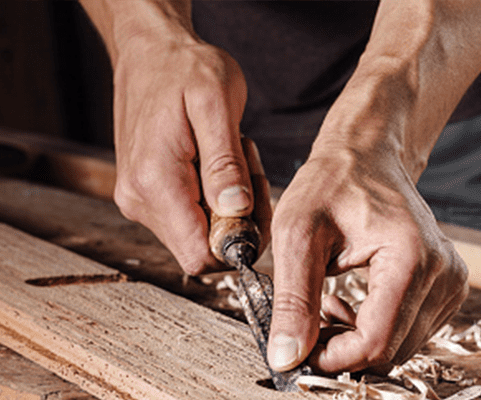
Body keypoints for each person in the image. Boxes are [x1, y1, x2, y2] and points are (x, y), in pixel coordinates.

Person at [78, 0, 481, 374]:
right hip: (233, 102)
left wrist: (371, 136)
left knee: (414, 282)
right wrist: (144, 31)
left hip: (440, 89)